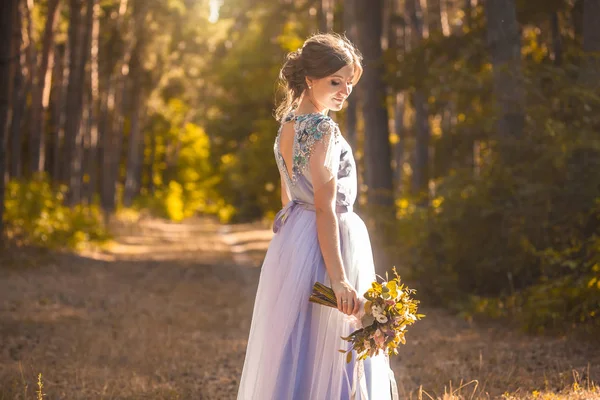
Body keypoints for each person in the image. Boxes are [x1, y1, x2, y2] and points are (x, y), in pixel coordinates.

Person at [237, 33, 398, 400]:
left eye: (348, 83)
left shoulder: (287, 126)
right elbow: (325, 206)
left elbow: (288, 196)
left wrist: (292, 247)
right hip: (328, 239)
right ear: (310, 79)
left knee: (301, 340)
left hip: (296, 238)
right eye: (335, 82)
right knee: (333, 342)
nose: (344, 91)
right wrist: (340, 280)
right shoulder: (322, 128)